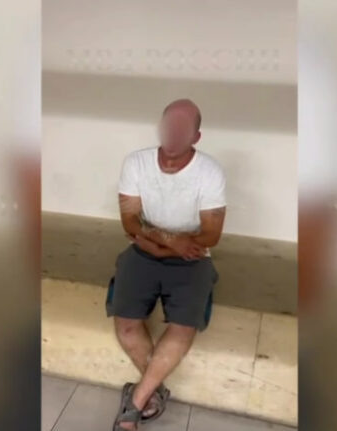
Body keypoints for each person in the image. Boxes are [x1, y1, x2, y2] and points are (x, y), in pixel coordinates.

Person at [107, 99, 226, 430]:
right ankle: (153, 392)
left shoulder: (210, 171)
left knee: (182, 327)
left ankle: (135, 403)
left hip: (192, 259)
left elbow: (211, 235)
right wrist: (171, 242)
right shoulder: (136, 163)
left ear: (196, 136)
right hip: (146, 252)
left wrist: (155, 241)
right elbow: (129, 222)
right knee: (126, 324)